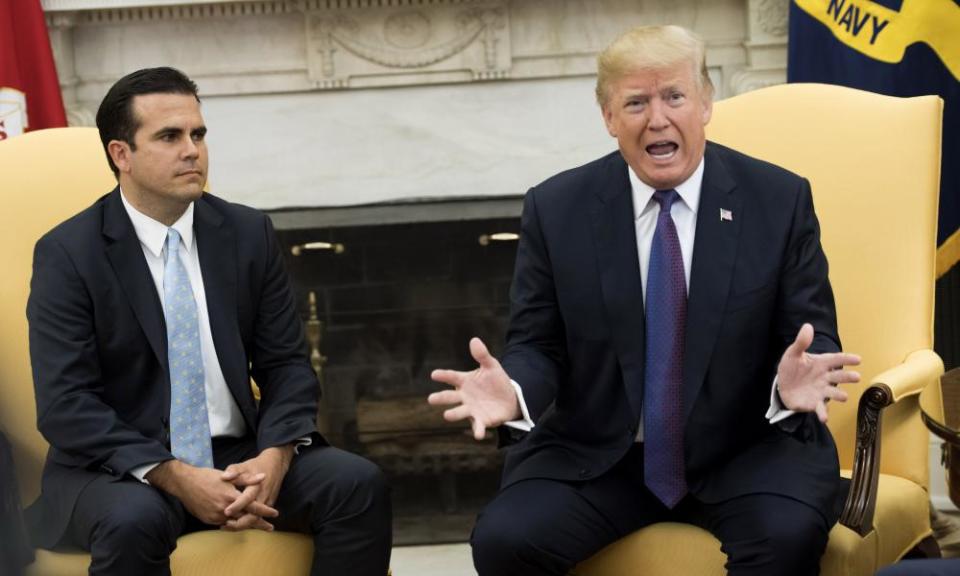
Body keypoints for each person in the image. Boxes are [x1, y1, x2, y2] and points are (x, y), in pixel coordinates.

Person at [429, 24, 861, 576]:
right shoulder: (557, 209)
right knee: (505, 540)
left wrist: (791, 379)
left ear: (705, 103)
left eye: (674, 96)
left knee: (786, 539)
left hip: (746, 447)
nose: (657, 119)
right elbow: (539, 345)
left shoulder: (778, 199)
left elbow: (811, 332)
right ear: (609, 117)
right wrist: (514, 391)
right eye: (636, 102)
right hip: (604, 456)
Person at [25, 67, 391, 576]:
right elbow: (67, 404)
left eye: (198, 134)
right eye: (170, 137)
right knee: (134, 521)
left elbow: (287, 365)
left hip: (238, 453)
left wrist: (274, 457)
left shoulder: (246, 233)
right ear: (120, 154)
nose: (192, 150)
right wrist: (174, 475)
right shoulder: (69, 253)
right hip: (119, 469)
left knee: (356, 484)